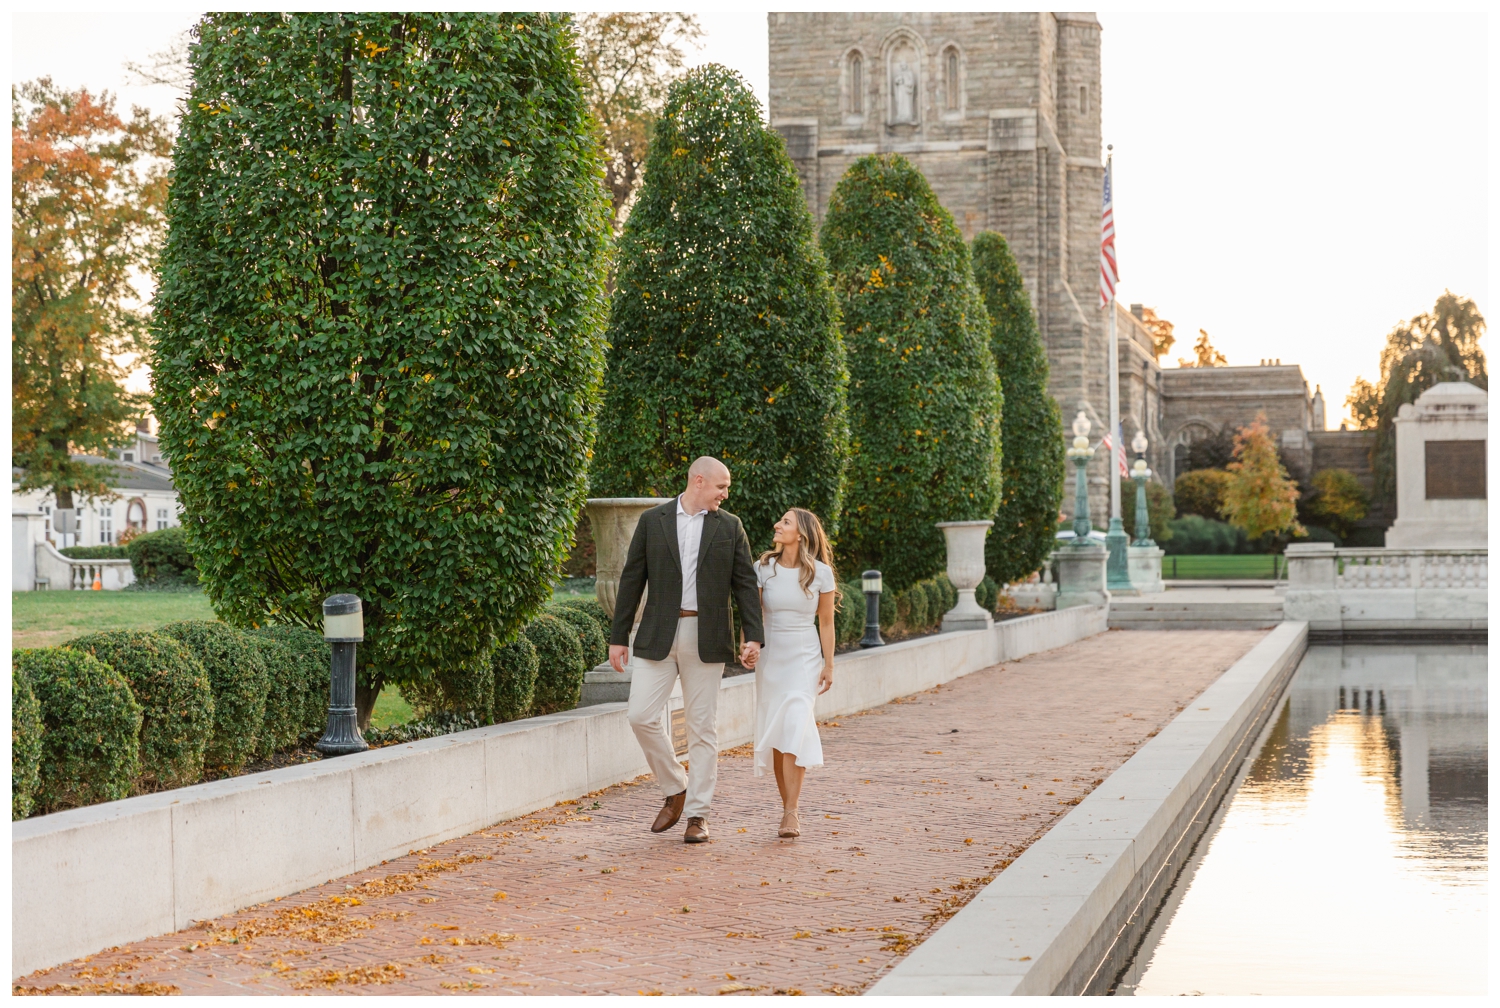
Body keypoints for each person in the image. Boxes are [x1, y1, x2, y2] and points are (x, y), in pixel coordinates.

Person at [608, 457, 765, 844]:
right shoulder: (653, 520)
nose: (725, 494)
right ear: (699, 481)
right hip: (657, 634)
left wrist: (754, 636)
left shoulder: (730, 526)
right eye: (721, 486)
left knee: (702, 728)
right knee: (640, 715)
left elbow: (745, 583)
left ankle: (697, 814)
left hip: (707, 635)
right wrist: (618, 636)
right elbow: (632, 578)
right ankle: (676, 785)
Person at [752, 507, 837, 839]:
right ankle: (786, 805)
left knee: (795, 726)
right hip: (771, 658)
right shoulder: (763, 568)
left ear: (800, 533)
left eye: (785, 522)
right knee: (777, 735)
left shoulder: (821, 574)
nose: (777, 525)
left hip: (805, 659)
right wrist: (750, 645)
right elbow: (753, 613)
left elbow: (826, 623)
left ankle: (792, 812)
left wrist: (829, 664)